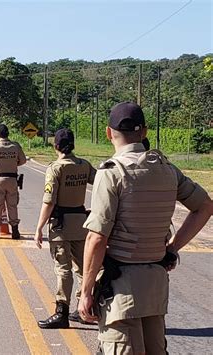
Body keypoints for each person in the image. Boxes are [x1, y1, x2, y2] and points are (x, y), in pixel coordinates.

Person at [78, 102, 212, 354]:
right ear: (144, 132)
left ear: (108, 133)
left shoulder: (111, 173)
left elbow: (96, 238)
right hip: (155, 287)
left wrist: (85, 292)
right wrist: (172, 248)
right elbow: (205, 206)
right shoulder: (167, 169)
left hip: (121, 289)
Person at [34, 128, 96, 329]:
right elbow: (102, 182)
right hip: (81, 223)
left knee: (63, 269)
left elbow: (49, 201)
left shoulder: (55, 169)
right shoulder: (84, 166)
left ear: (56, 146)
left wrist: (39, 228)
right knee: (82, 268)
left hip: (61, 225)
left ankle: (61, 312)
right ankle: (83, 309)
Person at [0, 123, 27, 239]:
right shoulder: (16, 146)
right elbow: (23, 161)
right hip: (12, 179)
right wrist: (14, 163)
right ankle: (15, 231)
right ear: (8, 133)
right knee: (12, 205)